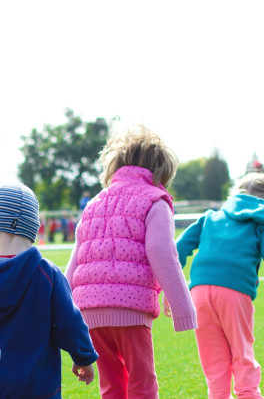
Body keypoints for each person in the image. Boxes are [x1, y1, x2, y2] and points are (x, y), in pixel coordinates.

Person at [65, 125, 197, 399]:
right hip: (130, 308)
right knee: (142, 384)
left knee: (111, 385)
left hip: (90, 312)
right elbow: (162, 252)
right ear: (161, 171)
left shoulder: (93, 204)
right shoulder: (155, 201)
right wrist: (182, 307)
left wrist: (66, 315)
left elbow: (74, 262)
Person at [0, 183, 98, 399]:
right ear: (33, 231)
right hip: (38, 388)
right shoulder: (46, 274)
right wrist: (84, 357)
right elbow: (69, 323)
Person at [176, 172, 264, 399]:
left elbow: (177, 250)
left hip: (199, 292)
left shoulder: (210, 217)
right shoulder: (259, 221)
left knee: (214, 362)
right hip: (234, 292)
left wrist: (173, 288)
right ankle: (248, 394)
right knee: (242, 354)